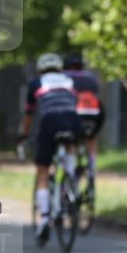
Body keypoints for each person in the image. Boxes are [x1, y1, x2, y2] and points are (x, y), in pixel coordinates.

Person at [17, 53, 81, 242]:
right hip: (72, 119)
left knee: (43, 171)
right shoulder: (69, 81)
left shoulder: (36, 83)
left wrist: (24, 135)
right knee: (71, 146)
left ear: (40, 69)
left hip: (50, 121)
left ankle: (44, 218)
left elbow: (29, 115)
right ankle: (71, 180)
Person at [63, 51, 103, 187]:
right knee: (91, 138)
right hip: (95, 112)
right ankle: (92, 169)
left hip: (75, 111)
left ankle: (70, 173)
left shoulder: (64, 77)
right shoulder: (90, 76)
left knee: (71, 142)